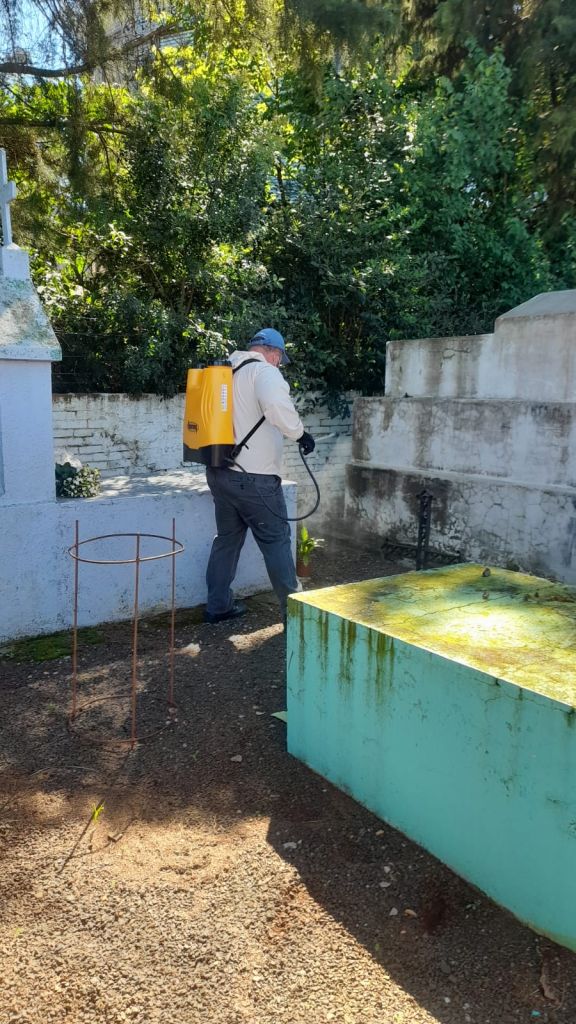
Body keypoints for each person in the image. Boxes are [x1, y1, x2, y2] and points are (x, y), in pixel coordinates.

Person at [204, 328, 315, 624]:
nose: (279, 363)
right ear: (274, 353)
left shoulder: (226, 370)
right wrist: (300, 434)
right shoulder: (264, 372)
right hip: (254, 479)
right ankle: (295, 619)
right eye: (280, 358)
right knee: (276, 541)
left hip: (220, 472)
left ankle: (218, 606)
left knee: (227, 540)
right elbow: (277, 407)